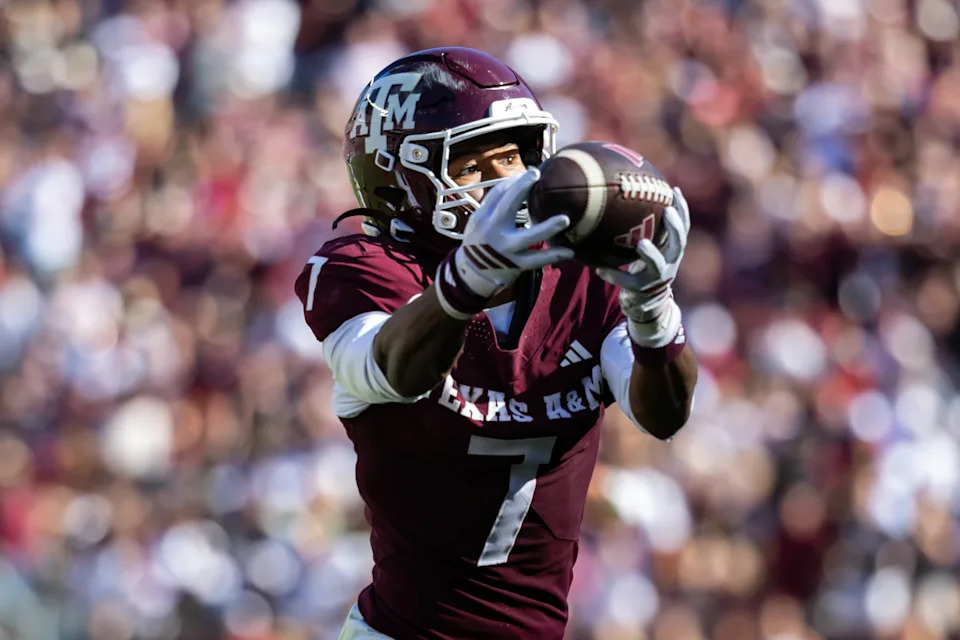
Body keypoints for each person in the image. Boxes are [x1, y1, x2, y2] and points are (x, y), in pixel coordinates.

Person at [295, 47, 699, 640]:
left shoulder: (583, 280)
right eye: (471, 164)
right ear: (399, 178)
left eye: (511, 156)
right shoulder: (367, 266)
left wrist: (653, 313)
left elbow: (663, 416)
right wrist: (468, 280)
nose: (502, 184)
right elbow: (395, 369)